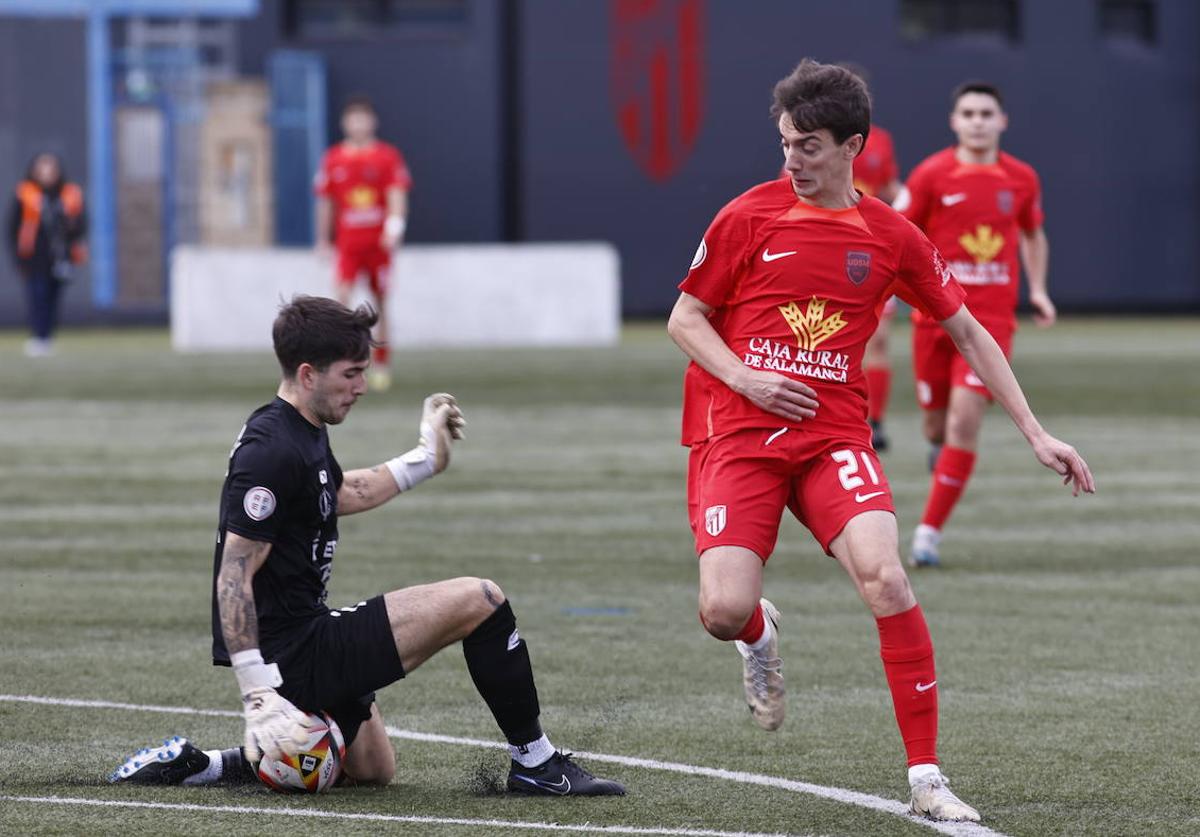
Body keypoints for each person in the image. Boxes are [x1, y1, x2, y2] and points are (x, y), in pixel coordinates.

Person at [666, 59, 1092, 823]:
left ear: (853, 146)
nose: (792, 159)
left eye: (811, 146)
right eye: (787, 142)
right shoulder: (747, 216)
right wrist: (749, 380)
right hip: (739, 433)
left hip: (834, 438)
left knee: (888, 581)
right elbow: (685, 318)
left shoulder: (891, 235)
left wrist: (1035, 430)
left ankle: (927, 777)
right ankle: (760, 634)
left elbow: (967, 328)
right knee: (724, 609)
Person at [110, 296, 624, 797]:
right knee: (482, 600)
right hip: (291, 654)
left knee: (373, 770)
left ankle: (203, 766)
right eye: (350, 374)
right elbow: (233, 575)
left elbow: (340, 493)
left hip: (305, 635)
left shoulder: (300, 428)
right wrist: (258, 692)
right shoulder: (270, 450)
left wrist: (428, 457)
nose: (361, 387)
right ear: (309, 373)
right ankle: (536, 762)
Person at [900, 81, 1055, 567]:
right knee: (935, 423)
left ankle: (928, 533)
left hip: (989, 323)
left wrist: (1038, 289)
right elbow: (901, 235)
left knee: (964, 420)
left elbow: (1033, 233)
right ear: (954, 121)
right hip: (933, 320)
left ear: (1002, 120)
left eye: (987, 113)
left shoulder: (1021, 178)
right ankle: (938, 453)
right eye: (968, 113)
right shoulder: (930, 175)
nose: (978, 121)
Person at [314, 96, 411, 392]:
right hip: (348, 244)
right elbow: (326, 202)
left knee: (379, 303)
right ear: (345, 123)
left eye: (363, 118)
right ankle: (344, 364)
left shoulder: (386, 157)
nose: (358, 124)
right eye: (353, 119)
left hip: (377, 245)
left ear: (372, 122)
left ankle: (382, 362)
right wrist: (323, 239)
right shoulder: (333, 159)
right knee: (341, 302)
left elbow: (397, 194)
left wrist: (394, 227)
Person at [6, 152, 87, 357]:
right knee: (37, 296)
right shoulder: (25, 193)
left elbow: (81, 224)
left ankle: (48, 335)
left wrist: (71, 228)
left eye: (51, 169)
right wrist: (18, 257)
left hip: (60, 257)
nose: (47, 173)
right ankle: (38, 336)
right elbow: (12, 227)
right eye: (42, 168)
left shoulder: (69, 193)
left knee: (53, 297)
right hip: (34, 257)